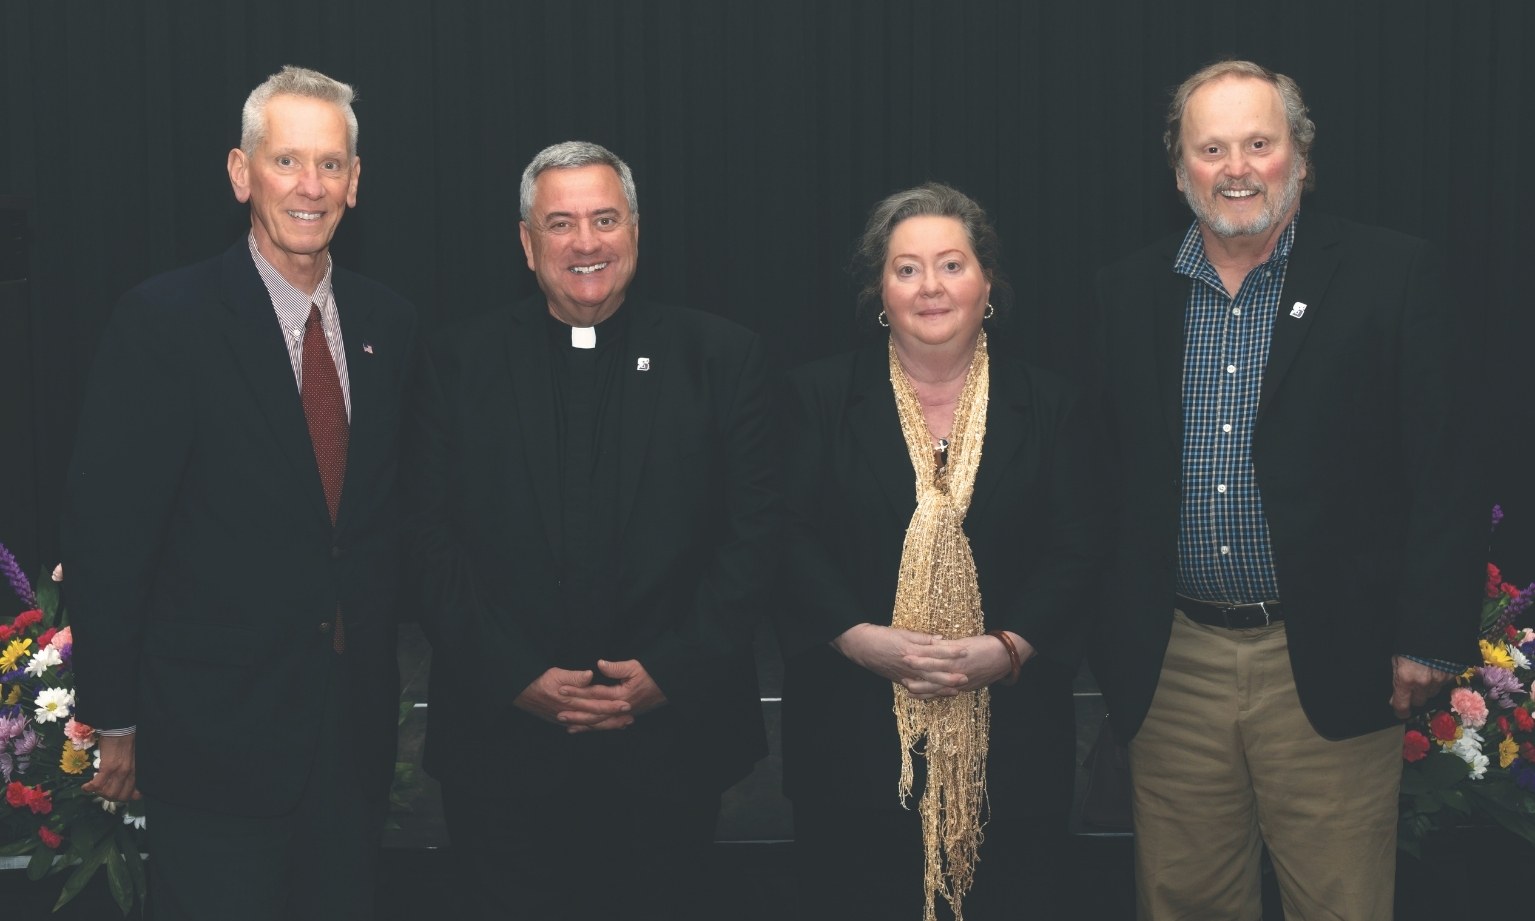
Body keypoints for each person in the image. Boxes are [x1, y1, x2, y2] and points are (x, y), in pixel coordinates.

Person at [1092, 59, 1483, 920]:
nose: (1236, 167)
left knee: (1338, 901)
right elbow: (1102, 477)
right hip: (1174, 661)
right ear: (1178, 167)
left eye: (1258, 143)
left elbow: (1446, 471)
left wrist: (1427, 634)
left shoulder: (1394, 275)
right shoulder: (1124, 293)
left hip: (1330, 656)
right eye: (1211, 147)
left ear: (1299, 155)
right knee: (1183, 899)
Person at [63, 66, 416, 920]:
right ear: (239, 172)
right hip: (211, 742)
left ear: (356, 183)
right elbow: (111, 534)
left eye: (331, 165)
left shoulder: (390, 326)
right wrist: (112, 716)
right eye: (286, 160)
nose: (310, 185)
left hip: (349, 738)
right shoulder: (164, 322)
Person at [404, 140, 775, 920]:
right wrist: (517, 676)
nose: (584, 243)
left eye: (604, 219)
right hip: (501, 745)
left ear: (635, 231)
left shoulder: (720, 357)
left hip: (670, 746)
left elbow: (755, 541)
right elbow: (425, 543)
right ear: (525, 241)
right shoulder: (455, 362)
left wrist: (666, 671)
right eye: (561, 222)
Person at [778, 183, 1105, 921]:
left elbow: (1079, 548)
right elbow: (783, 535)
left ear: (987, 283)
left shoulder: (1050, 403)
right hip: (850, 736)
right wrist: (861, 641)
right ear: (879, 293)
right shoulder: (815, 398)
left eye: (951, 265)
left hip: (1012, 742)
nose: (931, 287)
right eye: (906, 269)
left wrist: (1008, 647)